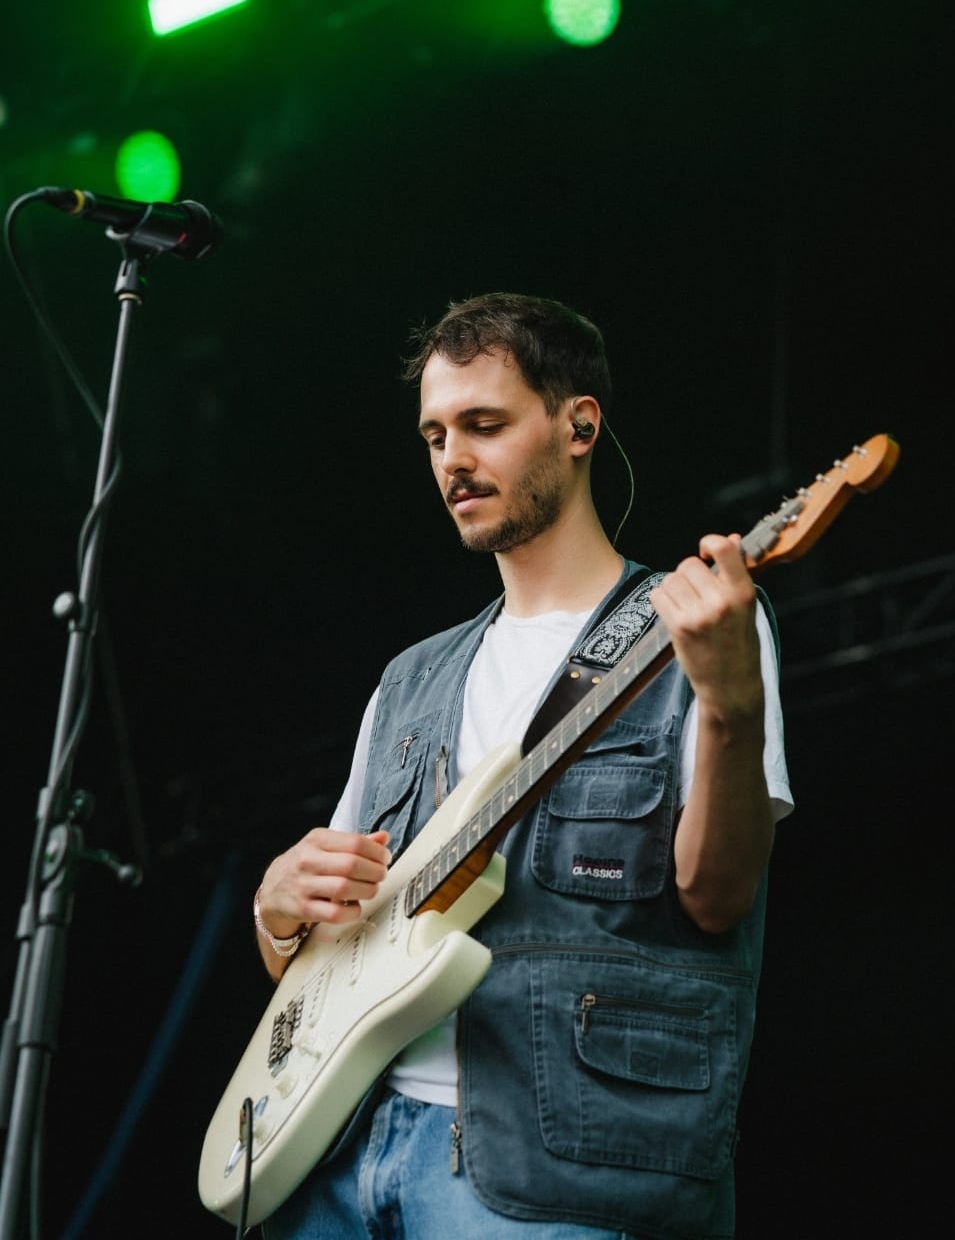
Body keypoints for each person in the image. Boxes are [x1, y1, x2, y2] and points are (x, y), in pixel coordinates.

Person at [252, 292, 792, 1240]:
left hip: (554, 1168)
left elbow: (716, 894)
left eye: (483, 425)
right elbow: (321, 964)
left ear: (578, 422)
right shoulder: (407, 681)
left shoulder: (696, 627)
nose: (452, 460)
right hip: (348, 1150)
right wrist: (278, 907)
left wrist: (732, 703)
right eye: (433, 435)